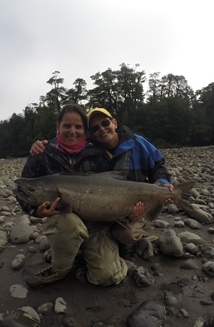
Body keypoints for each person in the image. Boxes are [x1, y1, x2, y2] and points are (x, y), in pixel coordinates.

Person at [16, 104, 143, 288]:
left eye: (78, 127)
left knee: (108, 277)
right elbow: (23, 190)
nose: (72, 131)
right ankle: (61, 268)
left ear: (85, 131)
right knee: (68, 223)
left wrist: (130, 214)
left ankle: (90, 254)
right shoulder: (41, 153)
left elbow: (116, 189)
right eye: (67, 126)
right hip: (63, 221)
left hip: (97, 224)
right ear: (57, 127)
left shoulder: (99, 154)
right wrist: (36, 211)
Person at [29, 107, 174, 248]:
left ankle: (129, 242)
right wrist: (40, 145)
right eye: (94, 128)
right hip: (108, 207)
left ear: (114, 123)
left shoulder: (139, 142)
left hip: (137, 202)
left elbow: (158, 165)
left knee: (126, 235)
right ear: (89, 134)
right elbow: (66, 145)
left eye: (105, 123)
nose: (102, 129)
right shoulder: (92, 152)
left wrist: (163, 183)